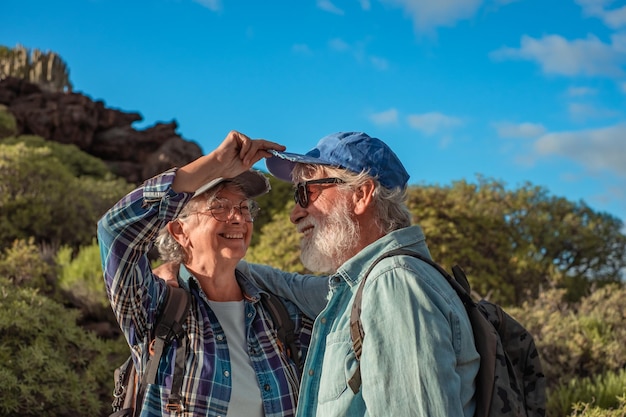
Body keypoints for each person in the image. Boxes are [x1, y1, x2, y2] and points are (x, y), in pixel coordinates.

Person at [97, 131, 327, 417]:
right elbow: (115, 233)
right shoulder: (154, 306)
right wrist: (215, 163)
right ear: (179, 231)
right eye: (219, 207)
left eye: (244, 208)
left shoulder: (280, 315)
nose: (239, 217)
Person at [256, 131, 480, 417]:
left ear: (361, 195)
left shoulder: (394, 284)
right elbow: (284, 284)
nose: (295, 213)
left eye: (305, 193)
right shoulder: (362, 285)